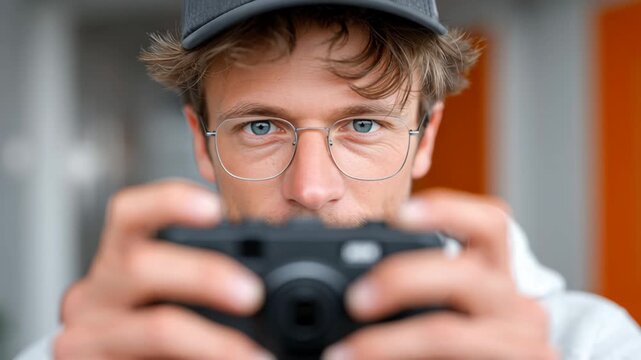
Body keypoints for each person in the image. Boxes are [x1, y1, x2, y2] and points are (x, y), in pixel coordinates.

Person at [16, 0, 641, 359]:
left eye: (363, 125)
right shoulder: (108, 349)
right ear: (200, 144)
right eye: (261, 127)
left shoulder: (580, 344)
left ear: (425, 139)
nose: (312, 189)